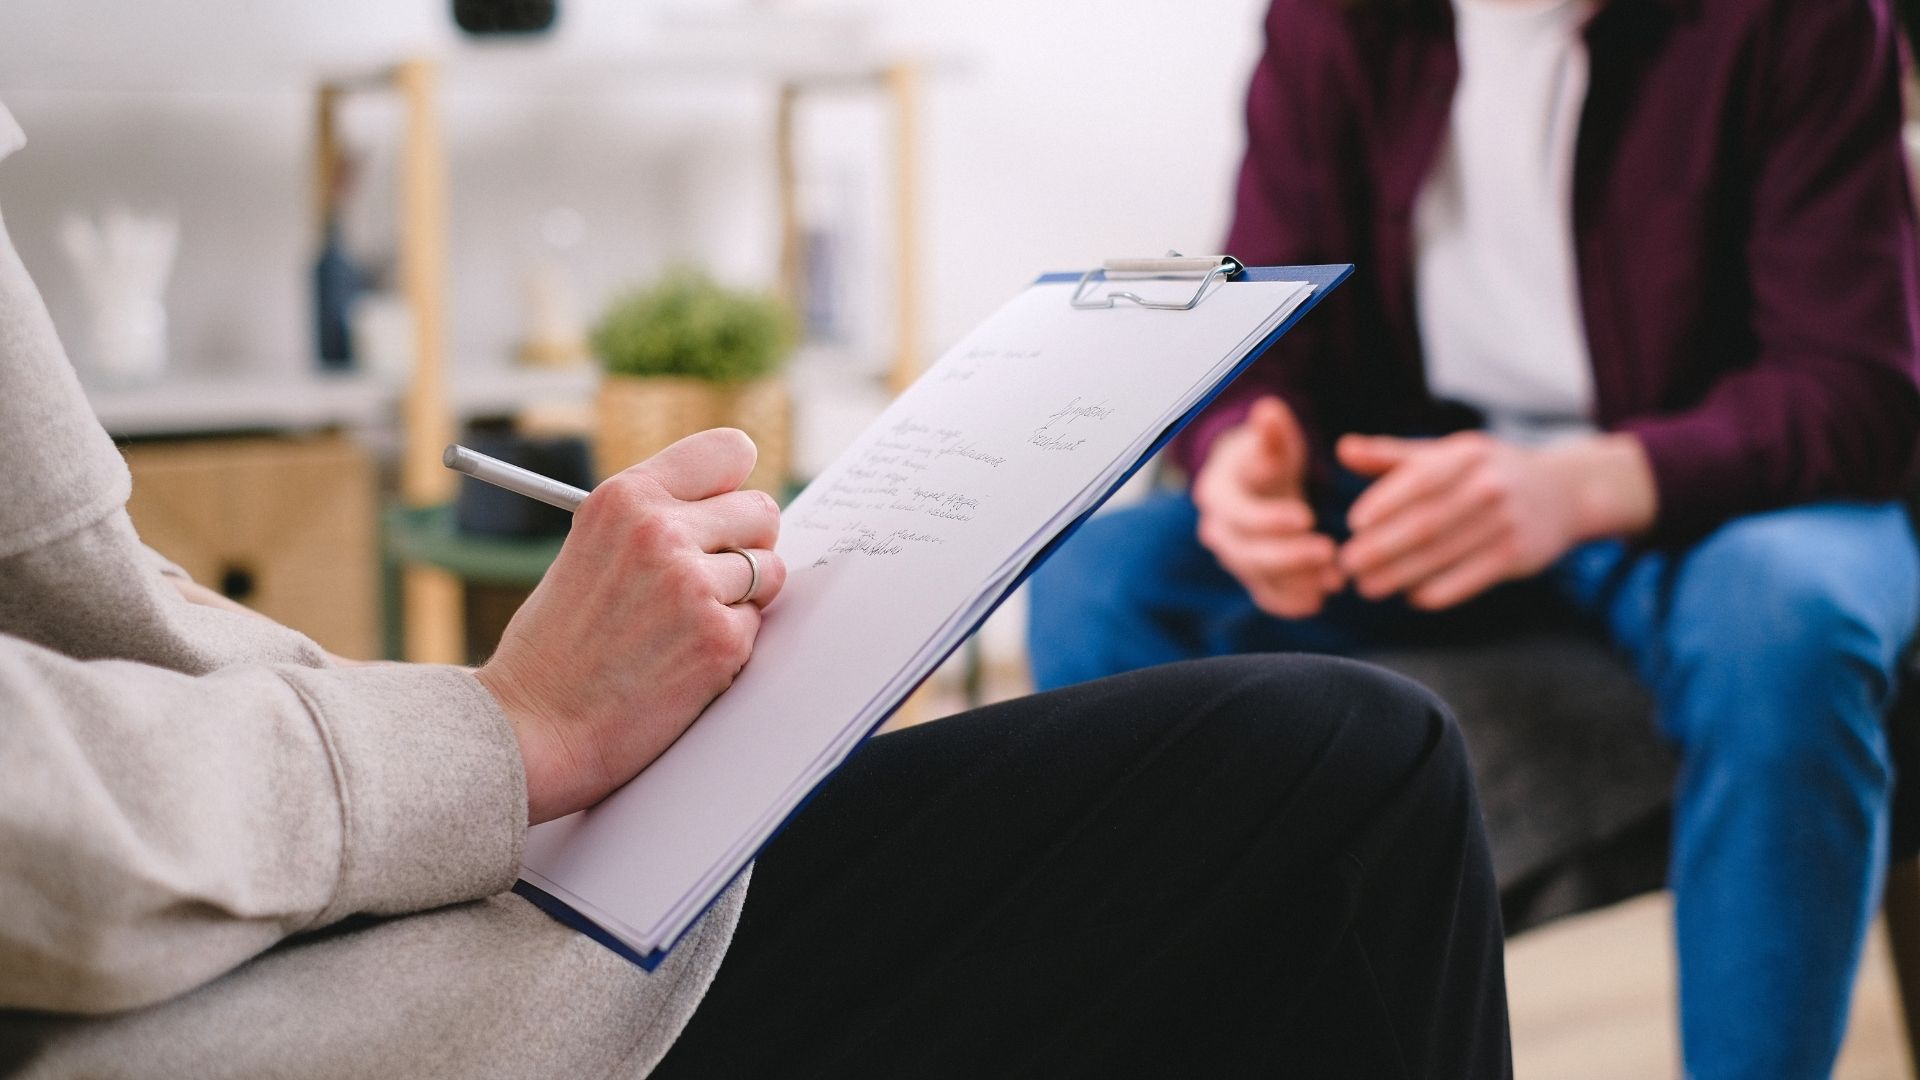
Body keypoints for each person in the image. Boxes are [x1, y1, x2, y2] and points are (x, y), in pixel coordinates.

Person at [0, 97, 1512, 1077]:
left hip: (319, 913)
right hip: (274, 1010)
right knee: (1360, 779)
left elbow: (89, 610)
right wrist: (500, 730)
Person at [1029, 0, 1920, 1075]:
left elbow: (1858, 391)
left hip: (1713, 496)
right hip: (1425, 490)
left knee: (1789, 621)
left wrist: (1591, 484)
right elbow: (1263, 326)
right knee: (1102, 575)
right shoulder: (1329, 24)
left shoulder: (1797, 22)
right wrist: (1239, 456)